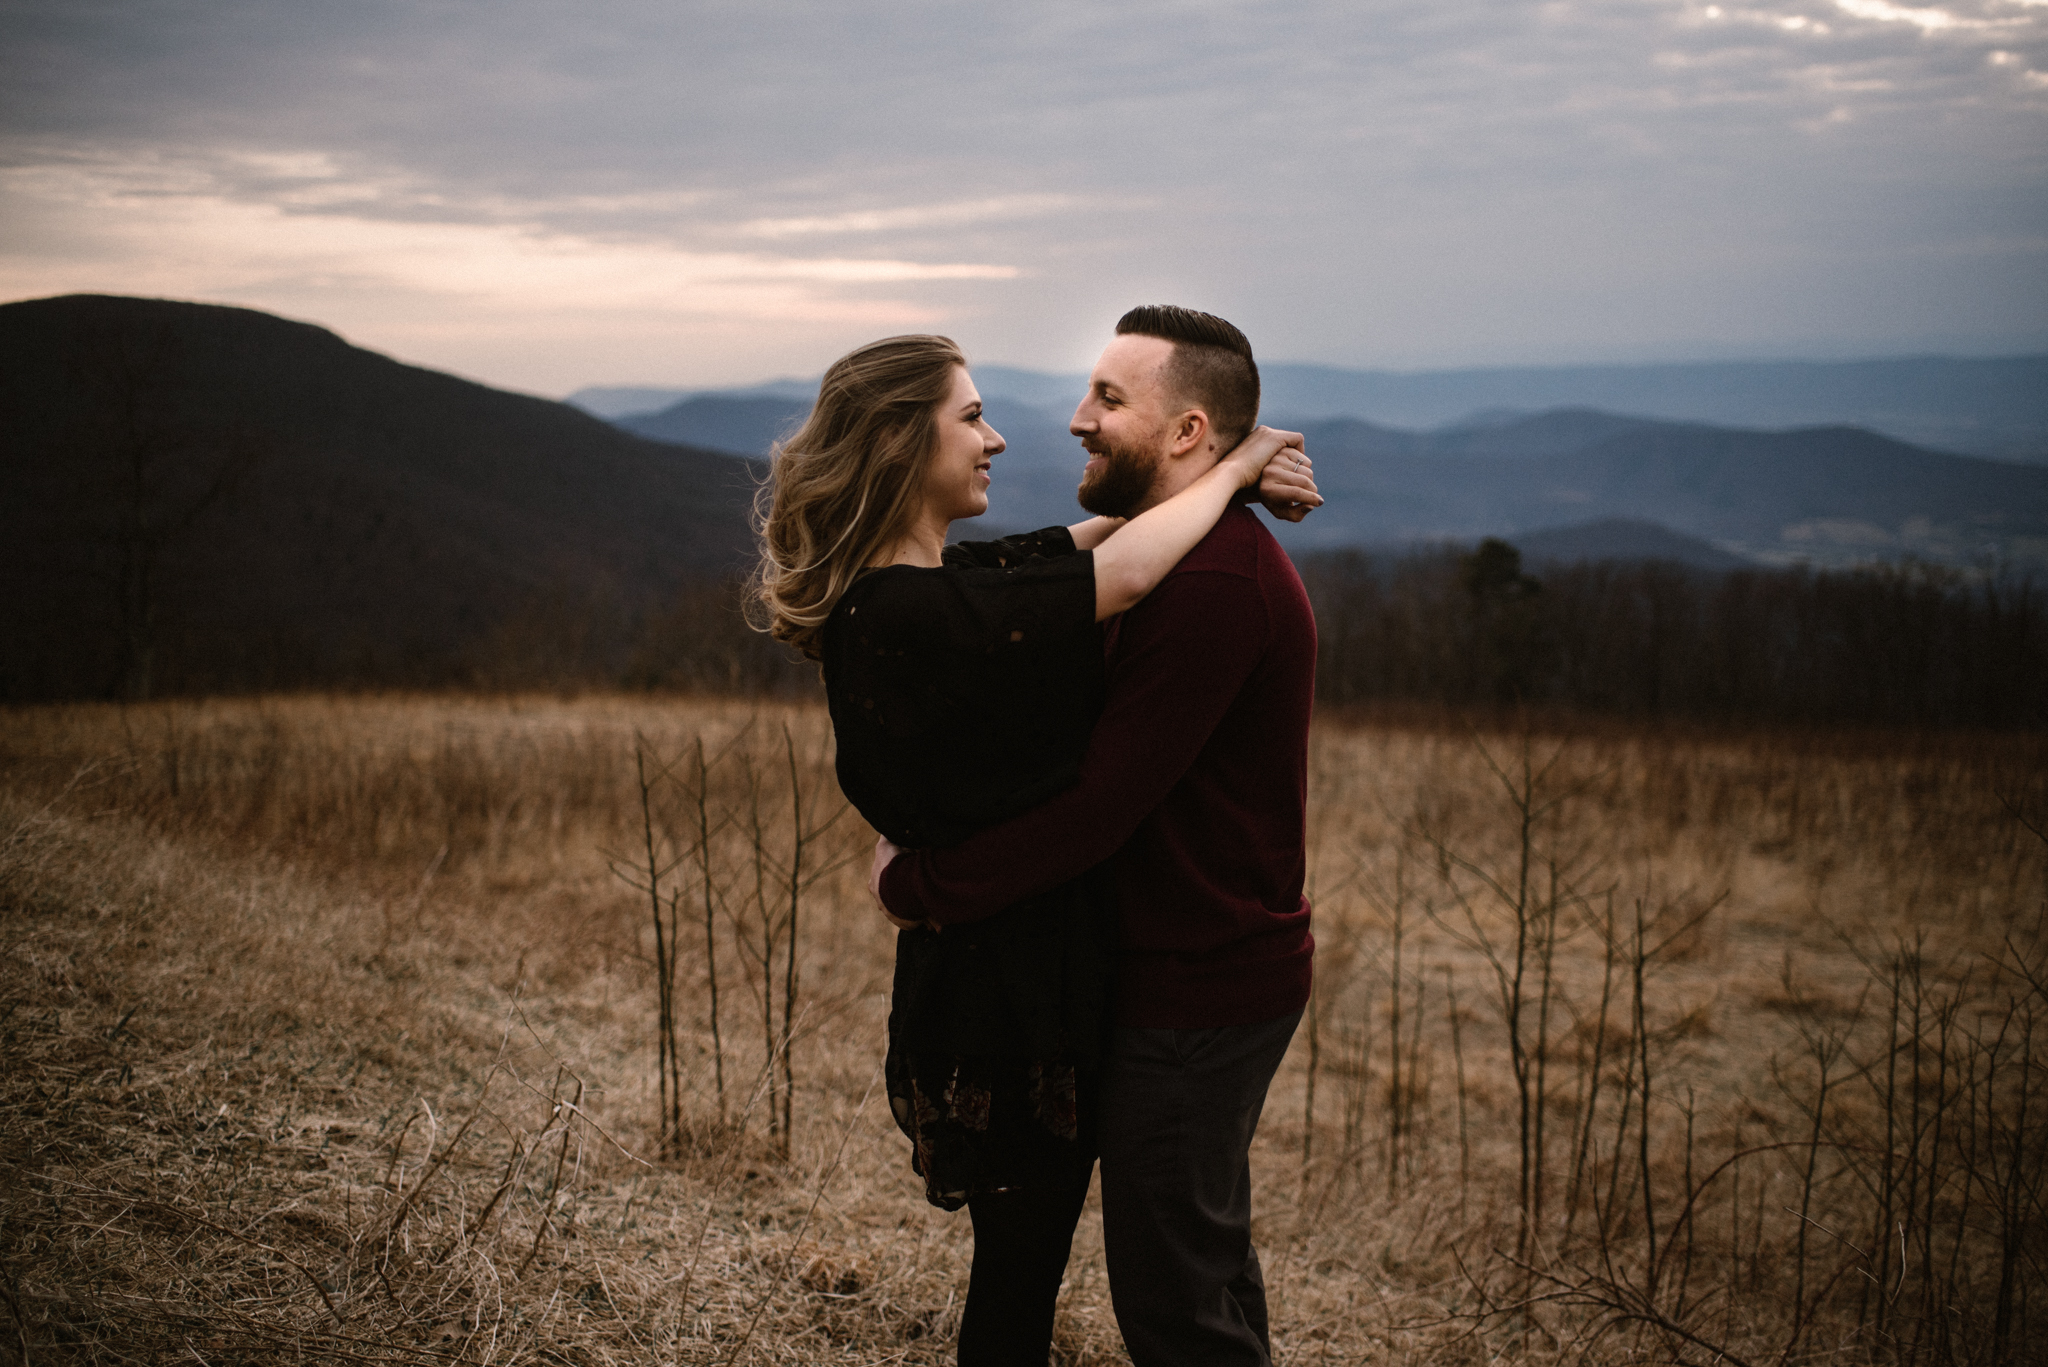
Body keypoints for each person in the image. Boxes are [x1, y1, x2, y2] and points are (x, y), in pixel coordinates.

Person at [750, 331, 1319, 1367]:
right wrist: (1234, 464)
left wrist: (1230, 469)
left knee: (1134, 1269)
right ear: (895, 444)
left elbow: (1087, 543)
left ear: (1183, 428)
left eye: (1107, 396)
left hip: (1069, 973)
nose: (1019, 431)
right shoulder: (916, 607)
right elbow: (1126, 566)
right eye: (971, 417)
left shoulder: (954, 582)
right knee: (1055, 1275)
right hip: (1004, 991)